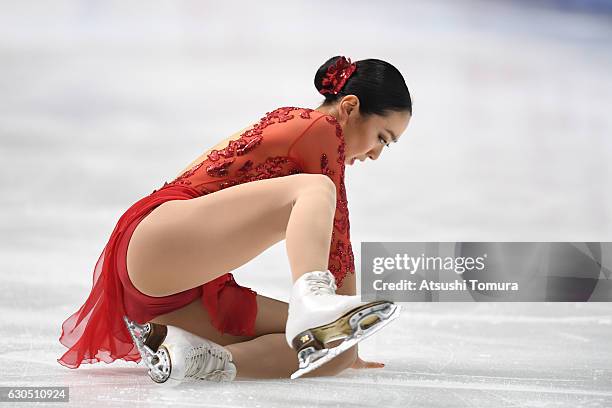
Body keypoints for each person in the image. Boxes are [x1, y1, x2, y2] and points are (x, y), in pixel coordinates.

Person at [57, 55, 412, 382]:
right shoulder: (318, 127)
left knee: (335, 350)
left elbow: (337, 240)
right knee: (316, 190)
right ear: (349, 107)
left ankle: (199, 360)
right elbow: (338, 236)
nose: (377, 153)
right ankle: (313, 301)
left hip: (175, 281)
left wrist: (348, 331)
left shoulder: (303, 127)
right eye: (382, 137)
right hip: (161, 238)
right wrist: (335, 311)